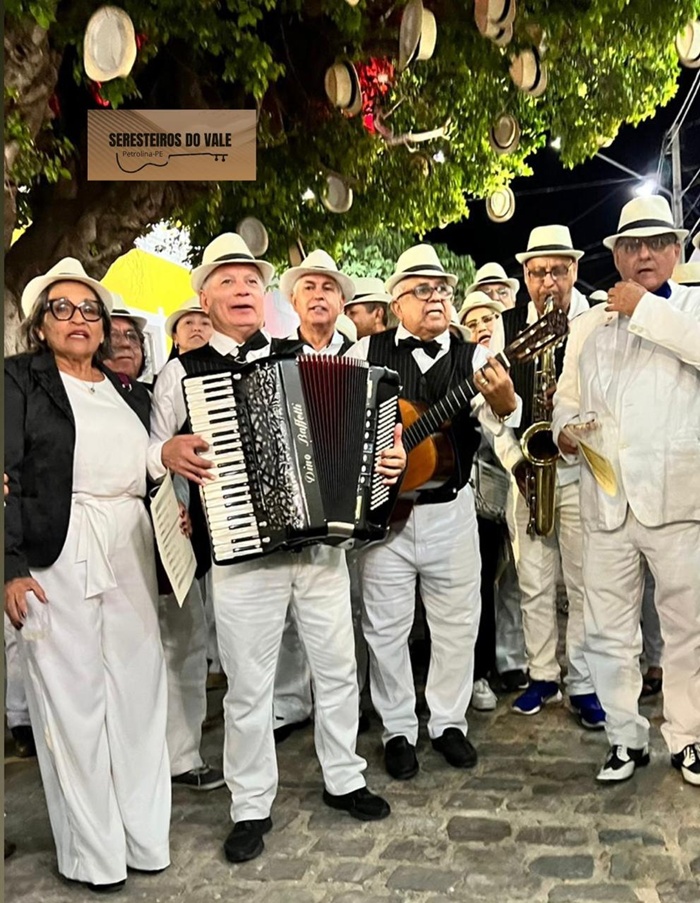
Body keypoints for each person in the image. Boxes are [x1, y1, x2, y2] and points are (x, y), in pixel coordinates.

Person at [148, 233, 405, 863]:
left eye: (250, 282)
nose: (241, 291)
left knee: (337, 670)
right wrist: (166, 459)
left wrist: (387, 457)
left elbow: (366, 432)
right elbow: (153, 460)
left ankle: (344, 777)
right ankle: (251, 804)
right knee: (247, 686)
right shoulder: (182, 375)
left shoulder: (306, 356)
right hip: (240, 556)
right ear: (204, 297)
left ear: (265, 296)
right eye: (227, 281)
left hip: (318, 552)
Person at [4, 258, 170, 891]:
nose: (78, 320)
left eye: (89, 311)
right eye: (62, 309)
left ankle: (143, 837)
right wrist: (8, 567)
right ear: (41, 324)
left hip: (128, 544)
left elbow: (134, 460)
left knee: (138, 690)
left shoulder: (129, 389)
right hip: (56, 548)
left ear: (105, 327)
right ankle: (92, 855)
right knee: (72, 703)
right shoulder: (18, 380)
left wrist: (164, 456)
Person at [346, 244, 520, 780]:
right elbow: (338, 431)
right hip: (386, 516)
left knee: (456, 623)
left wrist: (506, 400)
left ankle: (448, 721)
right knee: (386, 627)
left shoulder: (474, 356)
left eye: (442, 289)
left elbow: (499, 423)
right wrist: (376, 453)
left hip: (450, 510)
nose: (436, 298)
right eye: (422, 290)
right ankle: (398, 727)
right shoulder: (362, 354)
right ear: (396, 302)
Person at [552, 195, 700, 785]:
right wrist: (565, 430)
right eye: (631, 246)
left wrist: (645, 311)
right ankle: (623, 736)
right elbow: (567, 395)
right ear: (614, 255)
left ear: (676, 250)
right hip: (605, 498)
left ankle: (688, 737)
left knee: (687, 625)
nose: (643, 254)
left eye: (655, 244)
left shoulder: (690, 309)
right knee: (607, 628)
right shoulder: (589, 324)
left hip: (676, 497)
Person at [103, 302, 225, 793]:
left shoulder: (158, 392)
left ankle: (183, 754)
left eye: (132, 339)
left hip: (173, 539)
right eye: (113, 339)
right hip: (112, 542)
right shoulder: (78, 398)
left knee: (187, 641)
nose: (123, 347)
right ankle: (130, 759)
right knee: (125, 653)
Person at [489, 225, 605, 730]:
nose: (549, 281)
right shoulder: (505, 323)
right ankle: (541, 675)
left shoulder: (594, 318)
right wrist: (514, 459)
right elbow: (486, 406)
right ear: (525, 276)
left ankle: (582, 680)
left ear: (574, 270)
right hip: (525, 469)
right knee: (533, 582)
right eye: (538, 272)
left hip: (579, 471)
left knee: (583, 584)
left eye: (559, 269)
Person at [271, 250, 358, 741]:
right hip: (287, 515)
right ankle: (289, 705)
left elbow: (377, 436)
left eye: (328, 287)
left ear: (342, 301)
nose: (319, 295)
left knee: (337, 647)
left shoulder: (362, 358)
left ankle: (344, 764)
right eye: (309, 287)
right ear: (295, 301)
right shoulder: (271, 358)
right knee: (286, 629)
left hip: (342, 520)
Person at [458, 292, 528, 709]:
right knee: (482, 581)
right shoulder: (465, 366)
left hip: (517, 478)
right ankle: (481, 669)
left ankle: (513, 660)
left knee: (517, 579)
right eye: (474, 321)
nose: (483, 325)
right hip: (480, 488)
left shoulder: (513, 362)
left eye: (490, 318)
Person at [164, 297, 222, 686]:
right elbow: (160, 446)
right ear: (176, 336)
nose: (198, 328)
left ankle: (218, 662)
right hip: (187, 501)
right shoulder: (172, 375)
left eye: (204, 321)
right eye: (189, 324)